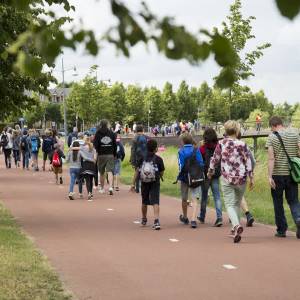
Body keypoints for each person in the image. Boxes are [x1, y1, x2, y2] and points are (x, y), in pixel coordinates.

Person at [208, 120, 254, 243]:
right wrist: (251, 177)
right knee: (237, 203)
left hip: (227, 177)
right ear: (237, 130)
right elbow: (248, 161)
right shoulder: (243, 144)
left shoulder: (221, 143)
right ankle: (235, 230)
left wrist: (210, 171)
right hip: (242, 177)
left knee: (229, 204)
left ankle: (236, 226)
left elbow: (215, 159)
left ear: (225, 130)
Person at [267, 116, 300, 239]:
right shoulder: (294, 134)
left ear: (273, 125)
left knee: (278, 202)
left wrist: (269, 177)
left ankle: (281, 230)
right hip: (292, 174)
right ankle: (298, 218)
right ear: (281, 123)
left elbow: (271, 158)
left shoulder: (272, 137)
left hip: (277, 175)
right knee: (294, 200)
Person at [131, 139, 165, 230]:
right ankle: (156, 221)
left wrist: (133, 184)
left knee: (144, 201)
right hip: (155, 182)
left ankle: (144, 219)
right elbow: (161, 172)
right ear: (156, 148)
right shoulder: (159, 159)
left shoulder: (142, 158)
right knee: (155, 201)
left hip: (144, 182)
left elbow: (137, 171)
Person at [177, 133, 204, 229]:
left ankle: (185, 216)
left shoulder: (180, 151)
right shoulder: (196, 149)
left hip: (185, 177)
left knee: (184, 198)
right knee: (195, 198)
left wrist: (179, 176)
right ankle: (193, 220)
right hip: (195, 176)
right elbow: (201, 163)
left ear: (183, 141)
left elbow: (180, 166)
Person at [199, 128, 223, 227]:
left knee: (204, 196)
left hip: (205, 175)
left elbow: (200, 162)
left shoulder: (202, 148)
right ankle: (219, 217)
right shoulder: (218, 146)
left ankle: (202, 216)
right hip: (216, 174)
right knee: (217, 196)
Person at [93, 119, 117, 195]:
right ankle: (110, 187)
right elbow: (115, 144)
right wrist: (114, 153)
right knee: (110, 171)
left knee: (102, 172)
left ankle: (102, 188)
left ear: (100, 125)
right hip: (110, 154)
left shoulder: (97, 133)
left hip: (101, 155)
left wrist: (97, 152)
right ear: (107, 124)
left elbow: (95, 145)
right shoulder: (111, 133)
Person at [130, 125, 148, 193]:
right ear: (142, 130)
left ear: (136, 130)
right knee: (145, 171)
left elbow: (133, 150)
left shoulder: (135, 138)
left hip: (137, 157)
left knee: (137, 172)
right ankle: (144, 187)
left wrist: (132, 160)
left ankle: (137, 188)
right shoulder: (146, 137)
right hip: (146, 157)